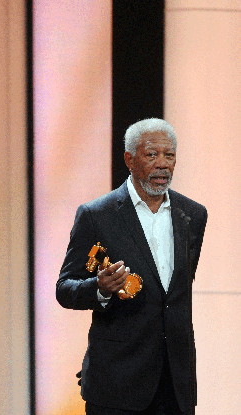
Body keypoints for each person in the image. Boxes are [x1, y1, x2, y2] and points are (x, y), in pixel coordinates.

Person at [57, 118, 207, 415]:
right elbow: (65, 289)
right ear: (129, 159)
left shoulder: (193, 215)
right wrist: (99, 288)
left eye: (170, 155)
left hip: (176, 384)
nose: (163, 164)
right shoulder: (96, 215)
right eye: (152, 155)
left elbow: (175, 295)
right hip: (117, 381)